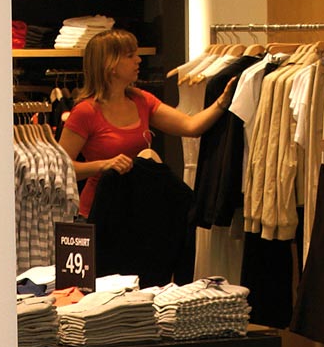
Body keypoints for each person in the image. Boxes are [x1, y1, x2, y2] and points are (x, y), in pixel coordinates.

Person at [59, 28, 236, 218]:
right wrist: (103, 165)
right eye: (130, 56)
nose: (138, 60)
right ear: (110, 64)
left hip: (138, 209)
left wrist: (223, 102)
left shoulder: (141, 100)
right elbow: (61, 168)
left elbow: (190, 126)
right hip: (98, 212)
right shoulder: (85, 112)